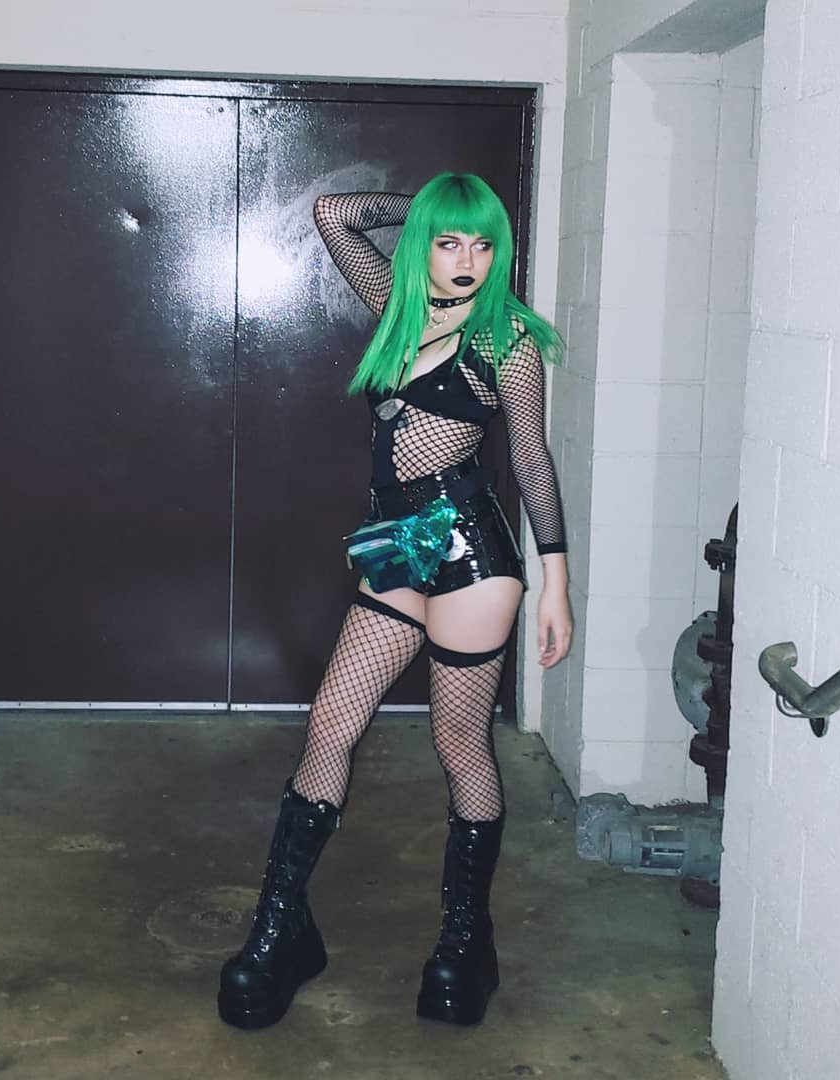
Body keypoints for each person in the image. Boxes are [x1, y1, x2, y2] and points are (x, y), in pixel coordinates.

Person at [218, 172, 571, 1030]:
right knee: (330, 725)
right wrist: (429, 210)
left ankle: (465, 944)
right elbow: (334, 214)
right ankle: (281, 931)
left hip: (468, 549)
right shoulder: (397, 307)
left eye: (482, 243)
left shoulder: (507, 341)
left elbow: (530, 460)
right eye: (450, 242)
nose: (467, 260)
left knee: (459, 744)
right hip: (394, 541)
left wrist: (555, 582)